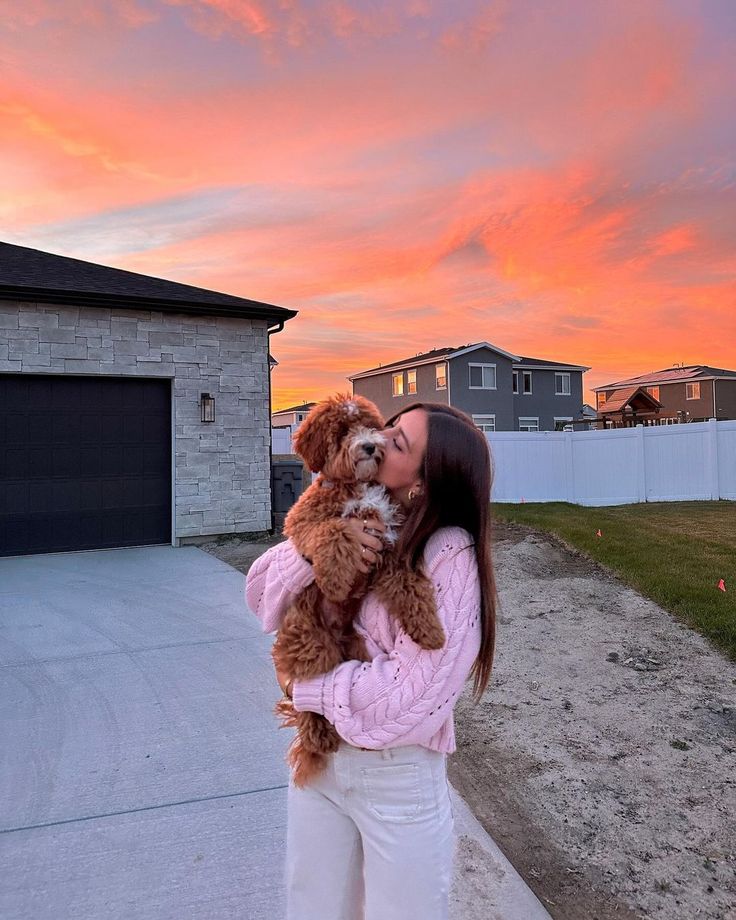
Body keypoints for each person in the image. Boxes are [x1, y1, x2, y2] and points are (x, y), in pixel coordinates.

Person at [245, 402, 497, 920]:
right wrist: (316, 546)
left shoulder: (448, 553)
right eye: (389, 426)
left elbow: (415, 697)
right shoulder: (337, 503)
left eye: (398, 442)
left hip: (396, 782)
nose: (379, 439)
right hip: (321, 764)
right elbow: (259, 595)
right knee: (311, 908)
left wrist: (305, 689)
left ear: (423, 483)